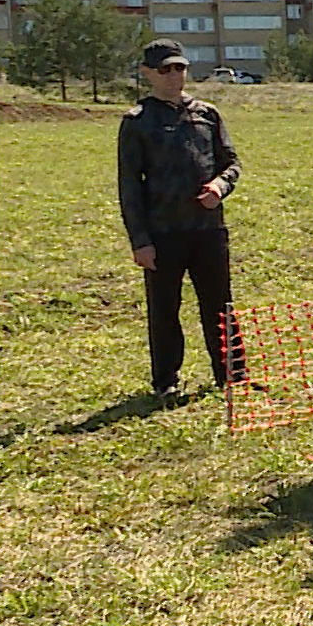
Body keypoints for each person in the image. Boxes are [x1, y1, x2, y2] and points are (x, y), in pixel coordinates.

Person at [117, 37, 244, 399]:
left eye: (180, 68)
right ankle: (166, 381)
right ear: (147, 73)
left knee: (220, 306)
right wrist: (140, 241)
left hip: (208, 230)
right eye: (165, 70)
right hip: (163, 232)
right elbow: (129, 186)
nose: (174, 76)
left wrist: (220, 185)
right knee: (164, 310)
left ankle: (232, 374)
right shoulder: (137, 122)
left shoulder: (206, 114)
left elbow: (231, 163)